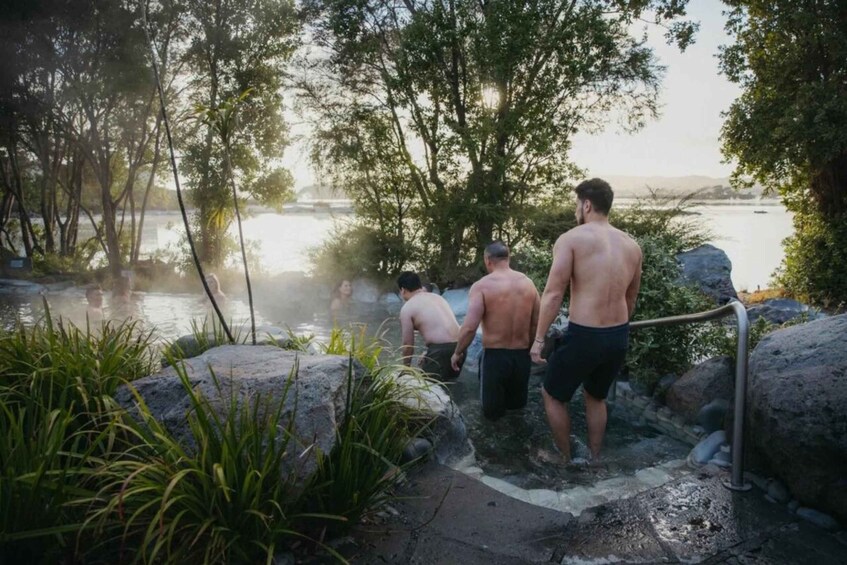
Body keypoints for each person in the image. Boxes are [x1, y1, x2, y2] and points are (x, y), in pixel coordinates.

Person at [530, 178, 642, 463]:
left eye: (577, 204)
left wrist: (539, 339)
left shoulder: (571, 239)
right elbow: (631, 299)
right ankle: (594, 459)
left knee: (552, 393)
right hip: (618, 335)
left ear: (587, 204)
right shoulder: (631, 245)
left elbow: (554, 293)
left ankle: (564, 458)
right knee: (596, 396)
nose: (575, 210)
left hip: (585, 335)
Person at [450, 241, 540, 420]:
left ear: (487, 260)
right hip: (522, 357)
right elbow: (536, 323)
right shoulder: (529, 284)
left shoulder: (482, 286)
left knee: (491, 414)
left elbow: (469, 328)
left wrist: (457, 352)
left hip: (495, 359)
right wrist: (530, 348)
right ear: (508, 258)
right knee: (517, 412)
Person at [397, 271, 461, 381]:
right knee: (450, 386)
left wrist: (406, 369)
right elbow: (443, 329)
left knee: (430, 392)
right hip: (461, 347)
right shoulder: (438, 298)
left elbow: (408, 345)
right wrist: (428, 353)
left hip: (441, 351)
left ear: (403, 290)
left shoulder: (407, 308)